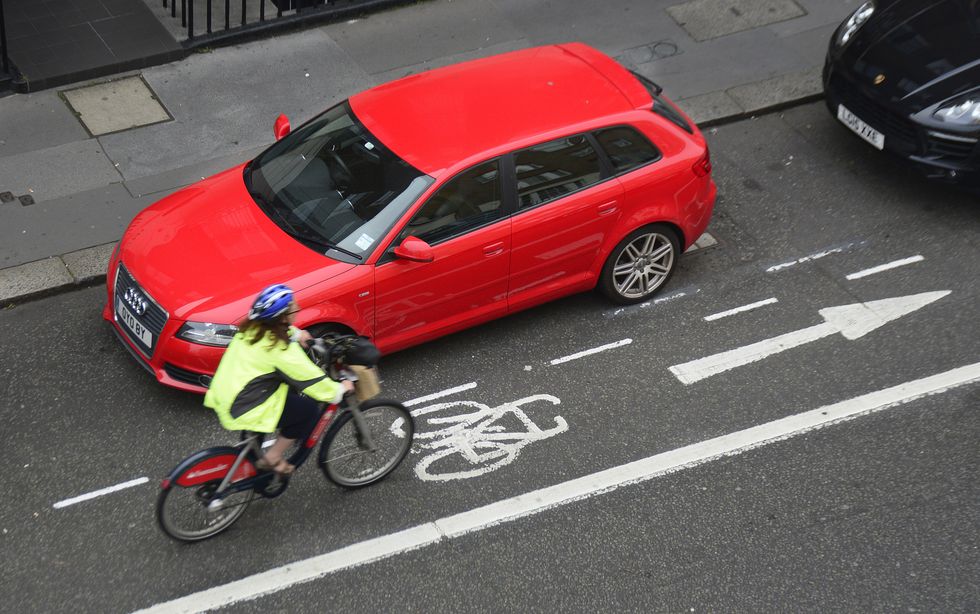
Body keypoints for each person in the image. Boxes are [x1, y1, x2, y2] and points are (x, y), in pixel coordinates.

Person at [203, 284, 354, 475]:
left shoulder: (251, 330)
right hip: (246, 404)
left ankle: (248, 464)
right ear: (282, 317)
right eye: (293, 307)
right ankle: (273, 457)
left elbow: (279, 331)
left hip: (228, 393)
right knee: (308, 410)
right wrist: (340, 389)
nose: (296, 309)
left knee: (263, 424)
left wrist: (297, 334)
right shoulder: (281, 351)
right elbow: (311, 380)